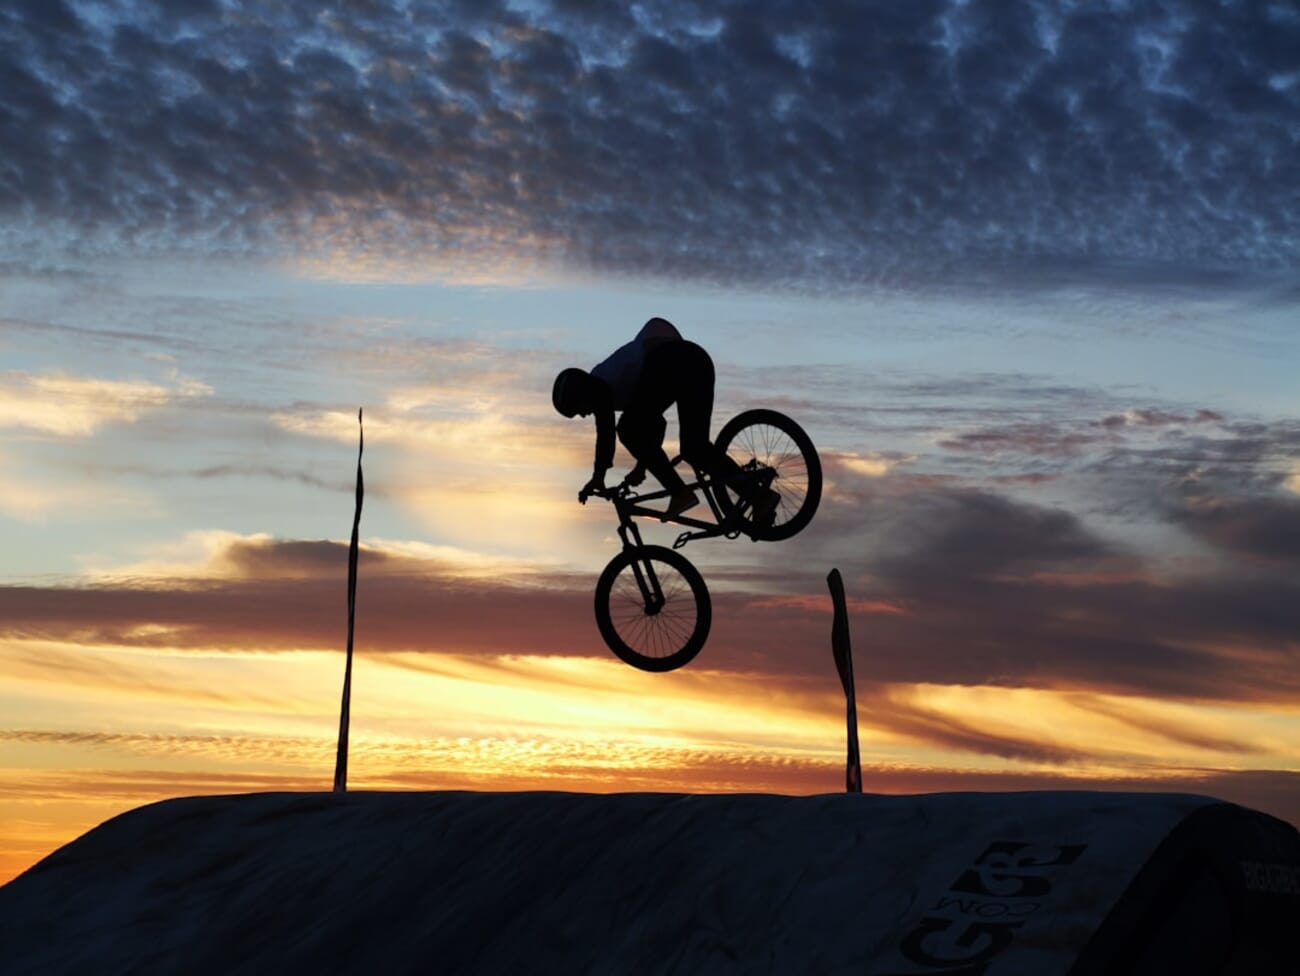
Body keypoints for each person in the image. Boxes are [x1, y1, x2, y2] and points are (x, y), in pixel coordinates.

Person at [552, 318, 779, 522]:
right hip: (696, 362)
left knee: (628, 429)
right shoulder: (621, 384)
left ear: (580, 393)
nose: (583, 415)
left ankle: (680, 493)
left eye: (577, 409)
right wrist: (643, 466)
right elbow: (656, 424)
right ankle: (759, 497)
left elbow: (606, 431)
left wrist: (598, 476)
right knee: (694, 448)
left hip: (674, 361)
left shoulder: (600, 386)